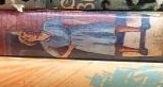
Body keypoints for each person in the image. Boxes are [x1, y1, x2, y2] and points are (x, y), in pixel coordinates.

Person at [13, 18, 147, 58]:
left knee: (108, 28)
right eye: (27, 37)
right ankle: (137, 50)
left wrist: (81, 22)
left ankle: (139, 29)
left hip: (79, 29)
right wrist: (70, 49)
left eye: (27, 32)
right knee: (108, 47)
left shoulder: (47, 24)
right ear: (29, 42)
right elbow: (61, 57)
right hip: (79, 43)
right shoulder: (46, 46)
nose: (29, 35)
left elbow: (65, 21)